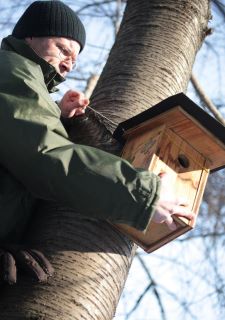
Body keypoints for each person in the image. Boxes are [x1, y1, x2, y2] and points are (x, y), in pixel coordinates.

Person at [0, 0, 194, 285]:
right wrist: (143, 193)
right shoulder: (13, 70)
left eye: (74, 59)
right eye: (63, 48)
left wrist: (59, 115)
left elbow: (21, 137)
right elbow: (44, 155)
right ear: (29, 36)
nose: (68, 62)